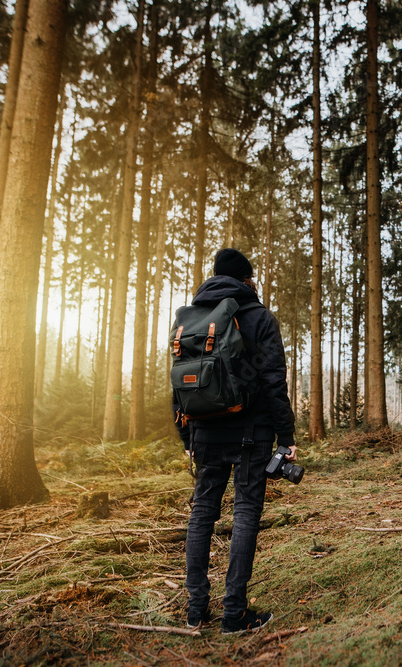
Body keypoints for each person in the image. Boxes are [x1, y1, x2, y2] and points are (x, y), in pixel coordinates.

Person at [172, 248, 296, 634]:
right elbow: (274, 381)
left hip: (204, 432)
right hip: (250, 434)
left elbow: (180, 382)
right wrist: (286, 435)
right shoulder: (259, 317)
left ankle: (195, 610)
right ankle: (235, 614)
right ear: (247, 278)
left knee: (202, 515)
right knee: (244, 515)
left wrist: (187, 436)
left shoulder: (192, 319)